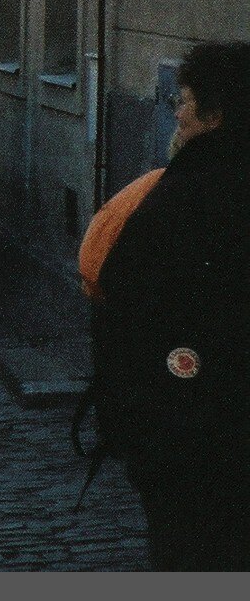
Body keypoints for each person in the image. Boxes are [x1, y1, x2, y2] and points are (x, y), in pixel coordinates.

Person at [85, 42, 250, 569]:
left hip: (186, 433)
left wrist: (125, 425)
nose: (176, 113)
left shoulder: (177, 197)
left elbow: (123, 309)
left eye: (185, 102)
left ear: (215, 115)